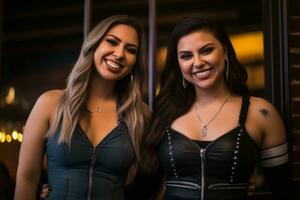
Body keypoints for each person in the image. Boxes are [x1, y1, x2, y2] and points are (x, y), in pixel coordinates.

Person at [142, 15, 294, 200]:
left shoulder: (261, 113)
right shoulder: (164, 111)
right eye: (186, 56)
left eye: (206, 50)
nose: (197, 62)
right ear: (179, 63)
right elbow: (144, 189)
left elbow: (283, 191)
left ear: (225, 51)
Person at [14, 14, 150, 200]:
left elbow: (145, 181)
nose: (119, 54)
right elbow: (27, 179)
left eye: (131, 49)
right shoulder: (50, 103)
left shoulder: (141, 114)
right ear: (94, 44)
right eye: (112, 42)